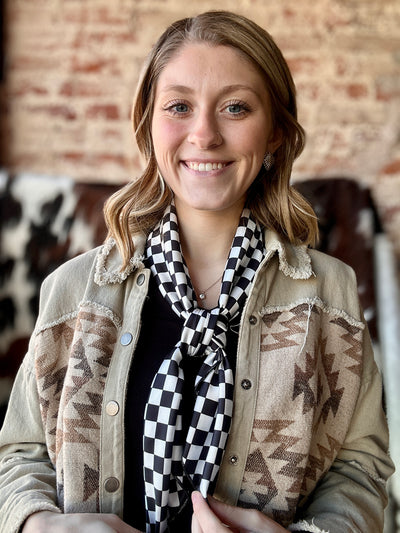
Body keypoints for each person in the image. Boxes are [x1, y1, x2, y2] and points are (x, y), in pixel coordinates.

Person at [0, 10, 394, 533]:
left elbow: (359, 471)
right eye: (179, 106)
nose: (204, 134)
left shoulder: (331, 296)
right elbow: (18, 455)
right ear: (149, 122)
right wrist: (43, 525)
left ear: (275, 131)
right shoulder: (74, 293)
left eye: (235, 108)